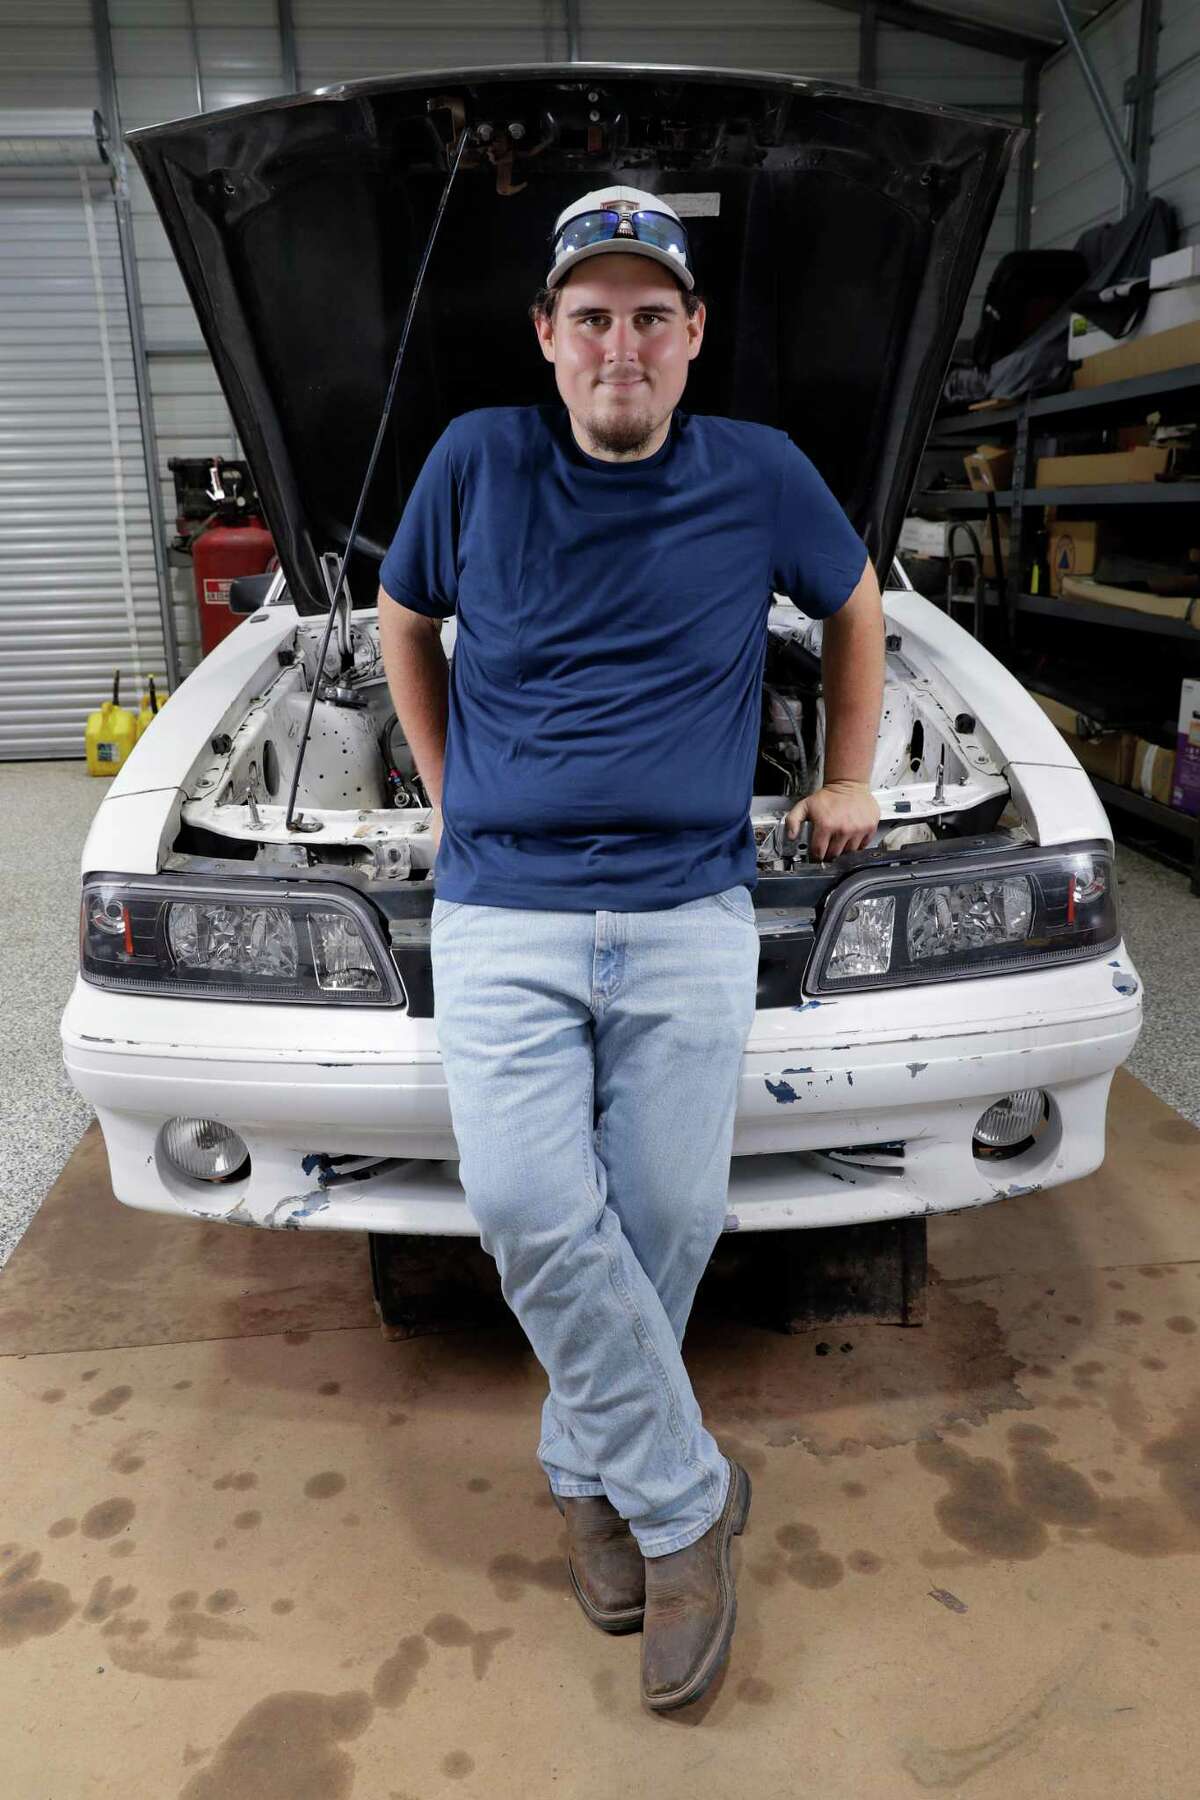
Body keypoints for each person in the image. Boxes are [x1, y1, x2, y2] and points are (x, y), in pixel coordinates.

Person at [377, 186, 885, 1713]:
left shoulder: (763, 473)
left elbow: (858, 608)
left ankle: (583, 1476)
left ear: (693, 337)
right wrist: (451, 786)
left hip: (686, 910)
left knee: (666, 1217)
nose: (621, 346)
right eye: (590, 318)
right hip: (503, 914)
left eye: (651, 317)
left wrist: (848, 774)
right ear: (546, 336)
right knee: (533, 1204)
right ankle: (682, 1510)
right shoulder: (475, 459)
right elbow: (402, 617)